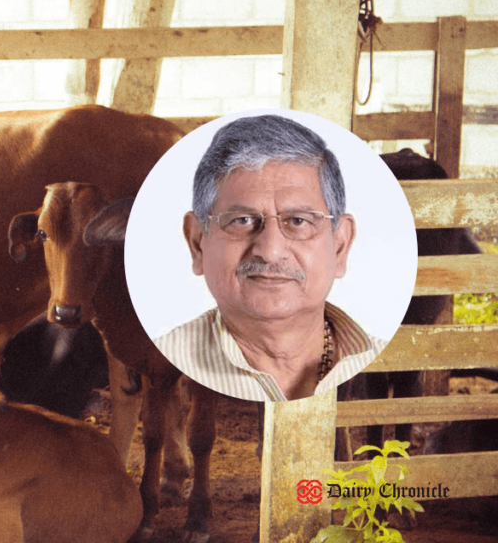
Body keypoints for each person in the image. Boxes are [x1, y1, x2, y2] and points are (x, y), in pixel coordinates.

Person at [153, 114, 387, 401]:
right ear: (197, 243)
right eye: (241, 220)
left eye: (299, 221)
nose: (270, 250)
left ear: (340, 246)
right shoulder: (168, 355)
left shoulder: (380, 355)